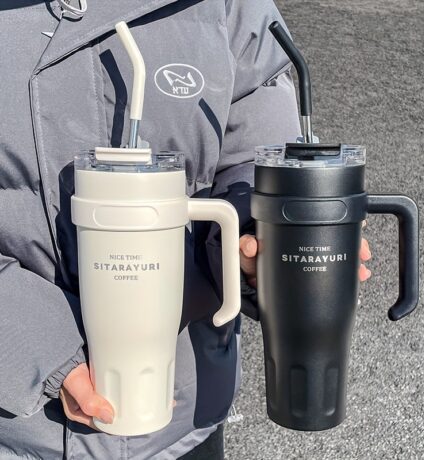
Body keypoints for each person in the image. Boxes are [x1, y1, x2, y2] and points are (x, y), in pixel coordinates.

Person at [0, 0, 372, 458]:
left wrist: (257, 241)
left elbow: (254, 155)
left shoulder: (227, 7)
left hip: (186, 417)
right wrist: (33, 343)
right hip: (17, 426)